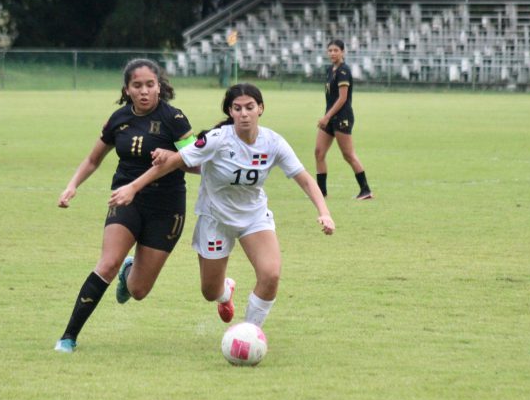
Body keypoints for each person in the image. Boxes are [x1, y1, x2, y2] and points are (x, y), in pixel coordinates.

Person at [110, 83, 335, 329]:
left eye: (250, 107)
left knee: (270, 275)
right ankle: (224, 292)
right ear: (230, 111)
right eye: (237, 108)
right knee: (210, 291)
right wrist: (134, 187)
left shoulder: (273, 142)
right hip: (215, 220)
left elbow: (304, 179)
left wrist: (324, 213)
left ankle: (250, 332)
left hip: (254, 219)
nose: (244, 113)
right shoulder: (217, 140)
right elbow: (176, 162)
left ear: (261, 108)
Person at [54, 58, 196, 353]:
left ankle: (129, 273)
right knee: (107, 264)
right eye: (137, 85)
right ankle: (68, 337)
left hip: (167, 208)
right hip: (126, 200)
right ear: (127, 89)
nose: (144, 91)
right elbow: (93, 159)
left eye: (150, 85)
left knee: (139, 291)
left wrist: (170, 158)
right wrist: (71, 186)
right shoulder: (118, 119)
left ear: (160, 86)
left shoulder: (175, 119)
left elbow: (196, 165)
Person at [315, 39, 373, 200]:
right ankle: (321, 192)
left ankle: (366, 190)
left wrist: (326, 117)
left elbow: (342, 98)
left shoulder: (343, 71)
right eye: (330, 50)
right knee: (319, 152)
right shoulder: (330, 70)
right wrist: (327, 116)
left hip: (342, 117)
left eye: (336, 50)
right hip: (330, 117)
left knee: (348, 154)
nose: (333, 53)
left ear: (343, 52)